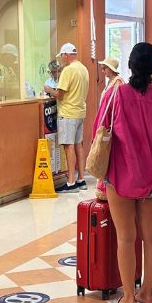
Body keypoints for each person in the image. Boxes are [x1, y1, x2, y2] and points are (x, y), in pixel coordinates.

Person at [95, 42, 152, 303]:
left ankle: (128, 298)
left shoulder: (116, 95)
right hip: (151, 179)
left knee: (126, 237)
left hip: (120, 175)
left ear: (130, 65)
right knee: (150, 237)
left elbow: (99, 130)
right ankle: (147, 294)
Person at [54, 42, 90, 192]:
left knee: (69, 147)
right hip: (80, 112)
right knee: (78, 146)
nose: (62, 59)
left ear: (66, 55)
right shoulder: (83, 68)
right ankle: (81, 179)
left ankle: (70, 182)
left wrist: (49, 89)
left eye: (62, 56)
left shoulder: (68, 71)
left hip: (68, 113)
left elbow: (60, 94)